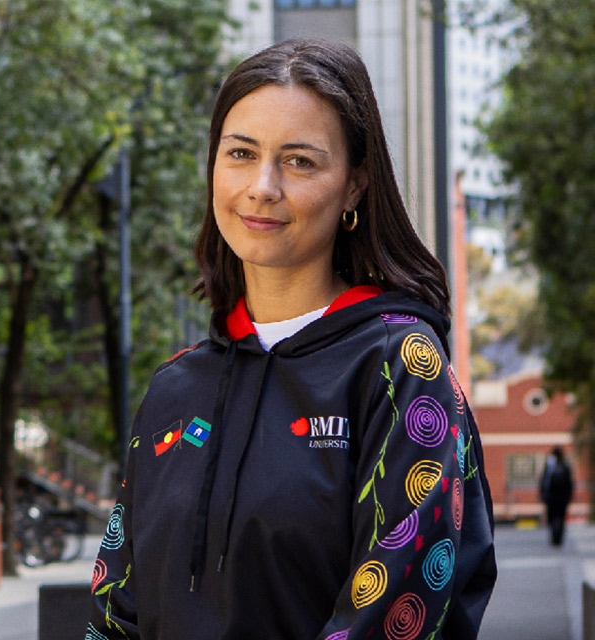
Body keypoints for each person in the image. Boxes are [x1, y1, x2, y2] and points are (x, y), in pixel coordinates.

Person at [86, 39, 497, 640]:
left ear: (355, 185)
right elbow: (114, 601)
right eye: (240, 153)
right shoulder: (174, 387)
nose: (262, 186)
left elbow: (396, 609)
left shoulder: (400, 368)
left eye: (299, 161)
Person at [540, 446, 574, 546]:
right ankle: (557, 537)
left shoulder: (551, 468)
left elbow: (544, 482)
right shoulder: (564, 467)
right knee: (560, 517)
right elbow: (570, 484)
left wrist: (543, 494)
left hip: (552, 497)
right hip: (561, 498)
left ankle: (555, 536)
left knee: (553, 517)